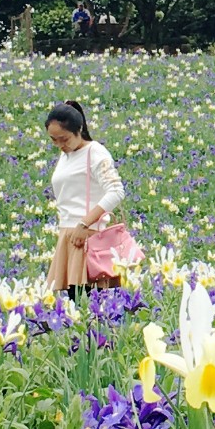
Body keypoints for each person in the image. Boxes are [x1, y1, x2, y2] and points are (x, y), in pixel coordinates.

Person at [43, 99, 126, 296]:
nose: (60, 145)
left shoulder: (95, 152)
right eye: (54, 140)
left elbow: (116, 191)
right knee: (75, 308)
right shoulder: (67, 155)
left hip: (89, 237)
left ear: (78, 129)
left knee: (93, 307)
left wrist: (84, 223)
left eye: (64, 139)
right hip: (69, 237)